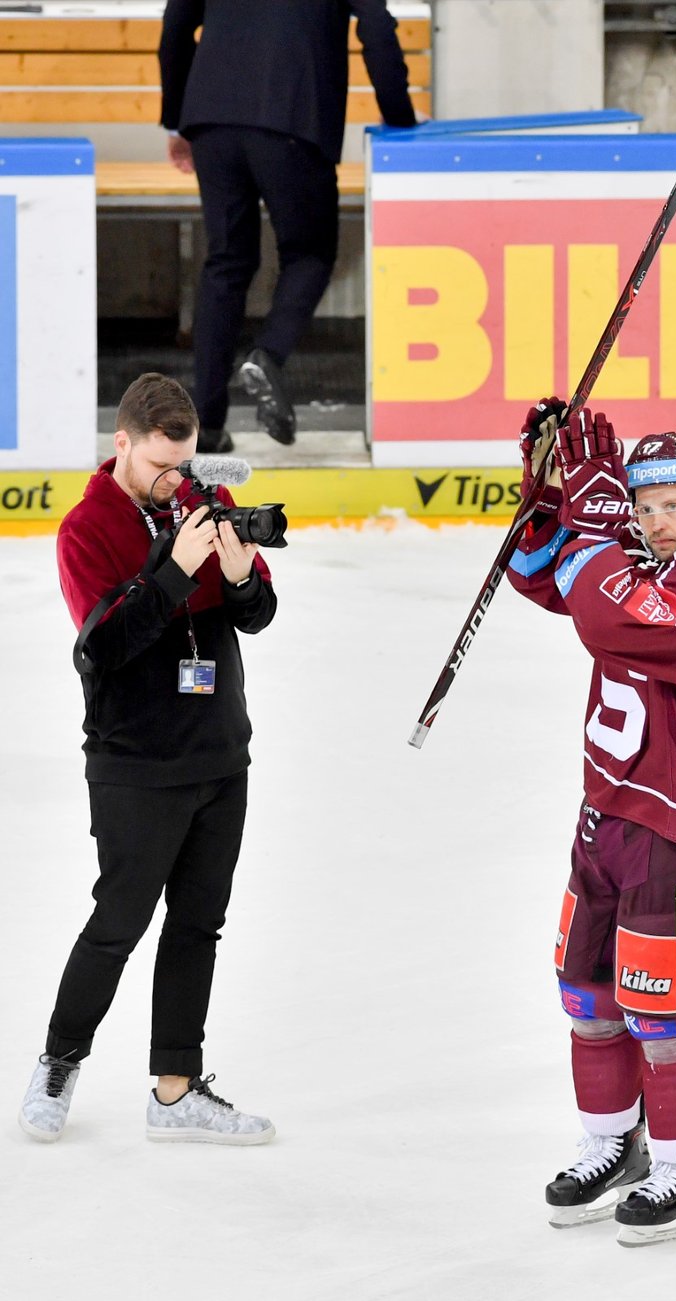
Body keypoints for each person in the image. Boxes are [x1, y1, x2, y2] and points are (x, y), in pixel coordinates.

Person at [507, 401, 676, 1248]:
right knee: (586, 994)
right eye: (642, 505)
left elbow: (607, 615)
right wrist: (551, 492)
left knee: (663, 1011)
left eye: (672, 504)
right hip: (606, 813)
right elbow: (542, 573)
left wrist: (595, 522)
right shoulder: (626, 558)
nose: (657, 520)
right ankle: (612, 1143)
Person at [19, 372, 278, 1145]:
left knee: (199, 923)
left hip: (218, 752)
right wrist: (169, 574)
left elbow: (259, 614)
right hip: (135, 761)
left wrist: (234, 577)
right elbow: (103, 647)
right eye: (163, 466)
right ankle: (59, 1060)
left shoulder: (204, 501)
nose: (178, 481)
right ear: (122, 443)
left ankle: (175, 1089)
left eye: (187, 464)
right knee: (118, 922)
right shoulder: (86, 528)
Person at [159, 0, 418, 452]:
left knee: (226, 263)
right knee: (310, 254)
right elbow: (376, 26)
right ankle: (268, 354)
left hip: (211, 116)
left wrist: (178, 118)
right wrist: (400, 118)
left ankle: (206, 429)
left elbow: (176, 26)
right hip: (294, 117)